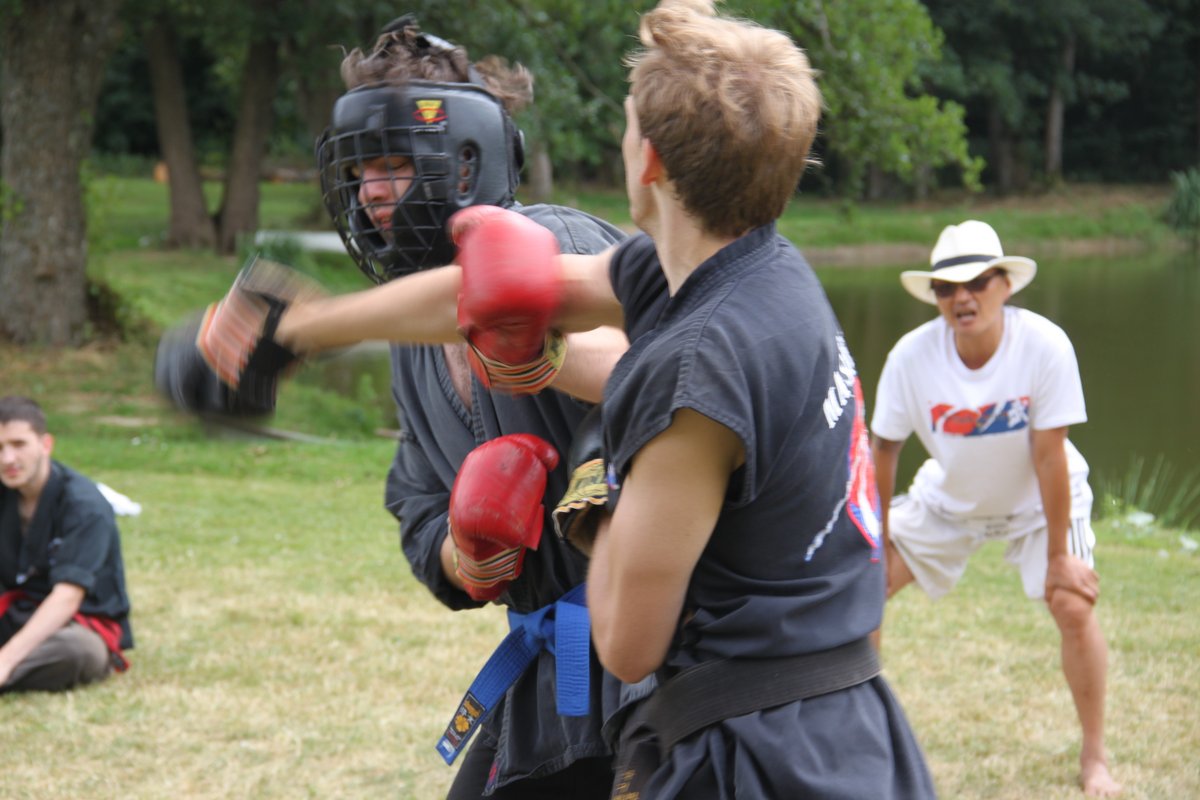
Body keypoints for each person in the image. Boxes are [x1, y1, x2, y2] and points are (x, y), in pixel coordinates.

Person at [446, 2, 936, 797]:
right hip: (847, 721)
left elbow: (626, 646)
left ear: (649, 161)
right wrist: (310, 326)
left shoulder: (699, 366)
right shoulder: (779, 284)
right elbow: (549, 299)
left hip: (750, 747)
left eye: (630, 123)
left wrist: (594, 476)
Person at [155, 16, 640, 800]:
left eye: (395, 166)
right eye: (362, 172)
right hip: (554, 671)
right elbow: (416, 496)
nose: (373, 193)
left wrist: (308, 328)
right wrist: (465, 555)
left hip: (652, 657)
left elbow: (655, 370)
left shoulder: (555, 242)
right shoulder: (409, 340)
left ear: (464, 165)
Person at [869, 220, 1121, 797]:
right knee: (862, 595)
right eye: (946, 287)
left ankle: (1095, 756)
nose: (963, 297)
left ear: (1006, 285)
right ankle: (868, 744)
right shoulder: (910, 358)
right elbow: (883, 451)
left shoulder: (1045, 345)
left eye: (978, 281)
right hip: (949, 501)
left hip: (1039, 503)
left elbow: (1050, 456)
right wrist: (876, 544)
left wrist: (1060, 556)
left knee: (1073, 604)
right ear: (934, 296)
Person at [0, 395, 133, 693]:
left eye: (18, 445)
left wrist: (5, 660)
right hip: (13, 614)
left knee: (81, 652)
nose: (8, 459)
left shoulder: (85, 506)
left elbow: (67, 598)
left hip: (71, 624)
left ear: (45, 444)